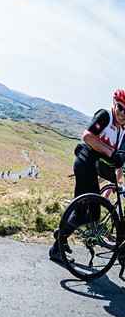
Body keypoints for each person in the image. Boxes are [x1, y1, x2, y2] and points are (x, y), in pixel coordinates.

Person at [49, 89, 125, 263]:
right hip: (84, 164)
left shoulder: (122, 132)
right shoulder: (105, 115)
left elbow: (119, 162)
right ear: (115, 105)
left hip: (92, 169)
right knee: (86, 212)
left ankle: (61, 235)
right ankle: (57, 246)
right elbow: (87, 136)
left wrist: (113, 184)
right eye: (120, 107)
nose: (122, 113)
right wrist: (109, 153)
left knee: (92, 213)